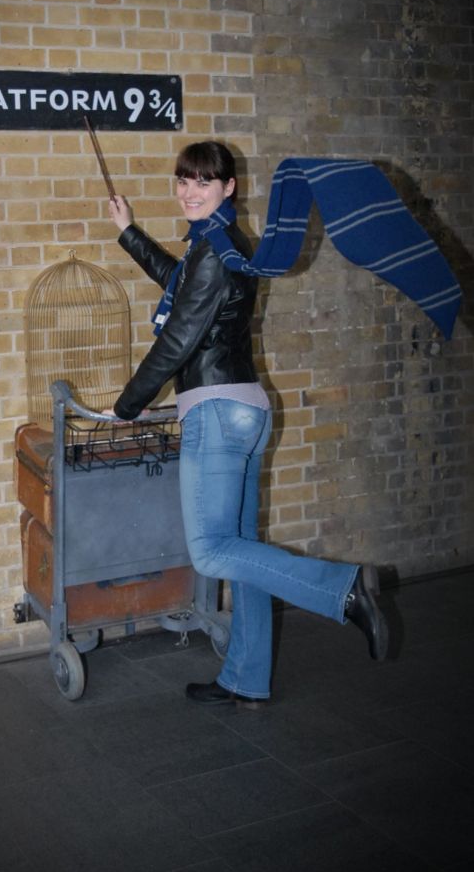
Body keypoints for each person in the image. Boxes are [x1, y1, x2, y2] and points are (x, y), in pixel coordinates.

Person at [106, 140, 389, 707]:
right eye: (183, 180)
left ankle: (343, 589)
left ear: (228, 186)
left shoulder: (213, 251)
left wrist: (126, 405)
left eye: (203, 182)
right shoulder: (221, 244)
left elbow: (178, 339)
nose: (189, 192)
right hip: (244, 411)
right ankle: (245, 678)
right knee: (242, 553)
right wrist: (129, 232)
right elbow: (180, 284)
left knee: (212, 552)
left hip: (216, 413)